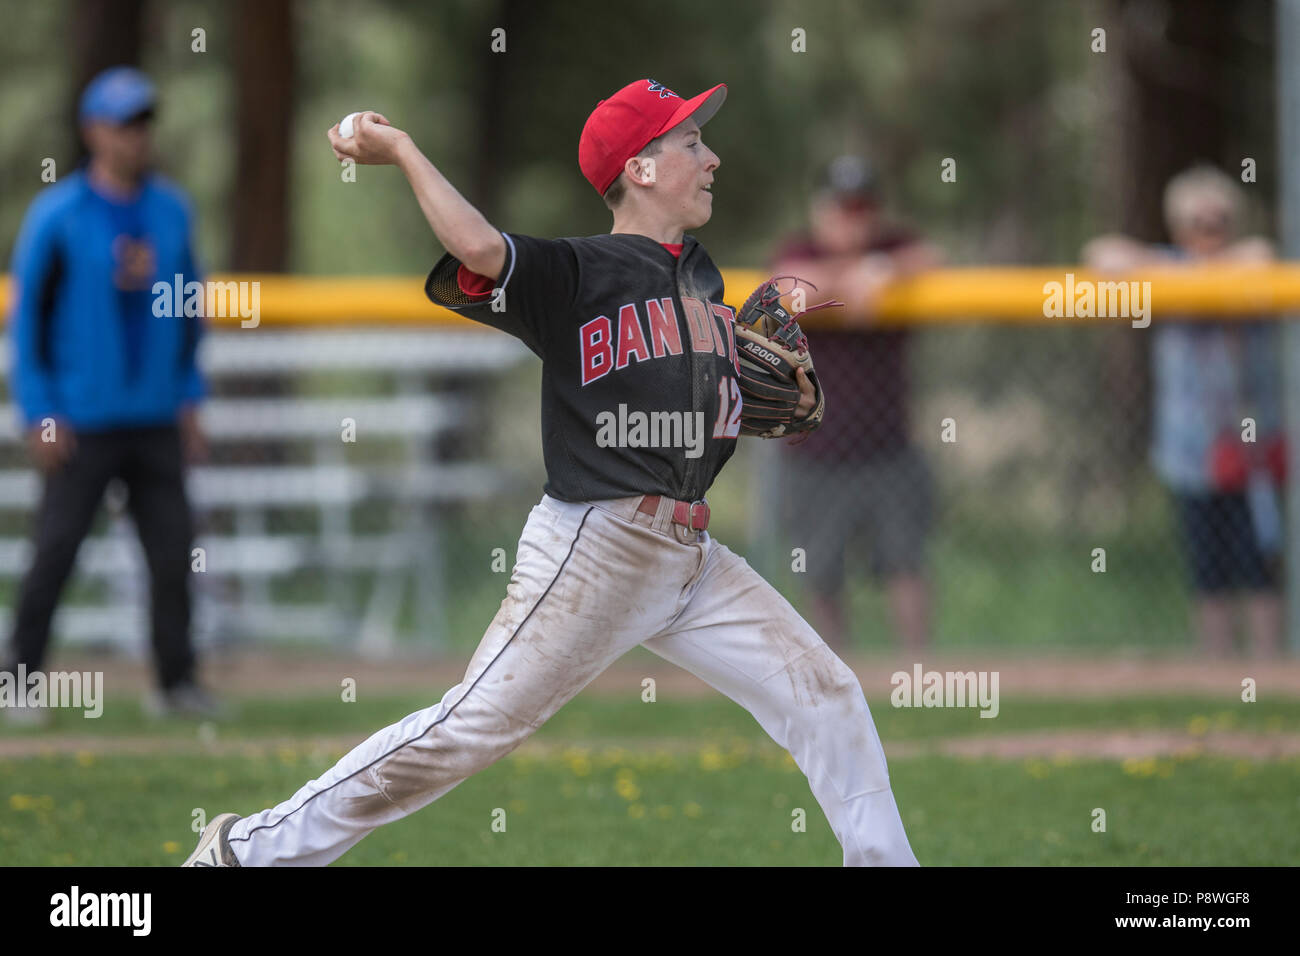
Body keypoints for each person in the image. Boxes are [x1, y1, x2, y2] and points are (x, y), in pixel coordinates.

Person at [184, 79, 918, 867]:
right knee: (467, 730)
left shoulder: (703, 282)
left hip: (691, 560)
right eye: (690, 144)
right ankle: (246, 851)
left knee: (826, 693)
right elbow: (477, 249)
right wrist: (399, 148)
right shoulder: (574, 273)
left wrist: (744, 389)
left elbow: (692, 412)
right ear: (639, 169)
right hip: (597, 548)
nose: (712, 157)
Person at [2, 67, 215, 724]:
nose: (137, 136)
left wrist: (189, 396)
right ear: (94, 131)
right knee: (57, 550)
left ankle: (175, 683)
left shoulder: (171, 210)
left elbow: (188, 311)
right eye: (124, 123)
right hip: (81, 420)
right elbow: (27, 320)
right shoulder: (58, 216)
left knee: (173, 553)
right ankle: (17, 682)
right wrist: (39, 411)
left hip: (153, 417)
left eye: (144, 122)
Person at [1084, 164, 1282, 659]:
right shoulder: (1164, 272)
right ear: (1178, 229)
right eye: (1198, 223)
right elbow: (1100, 254)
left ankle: (1267, 667)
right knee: (1208, 568)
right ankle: (1217, 671)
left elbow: (1260, 258)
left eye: (1219, 222)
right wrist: (1173, 270)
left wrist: (1191, 274)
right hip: (1191, 449)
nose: (1210, 233)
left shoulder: (1250, 267)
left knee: (1258, 563)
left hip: (1251, 448)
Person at [770, 156, 942, 653]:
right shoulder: (799, 248)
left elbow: (932, 256)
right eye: (843, 207)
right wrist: (853, 282)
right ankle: (837, 678)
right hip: (813, 450)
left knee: (905, 562)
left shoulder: (893, 248)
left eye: (863, 207)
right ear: (819, 209)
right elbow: (785, 284)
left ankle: (920, 674)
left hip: (888, 445)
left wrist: (883, 268)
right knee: (820, 572)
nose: (854, 218)